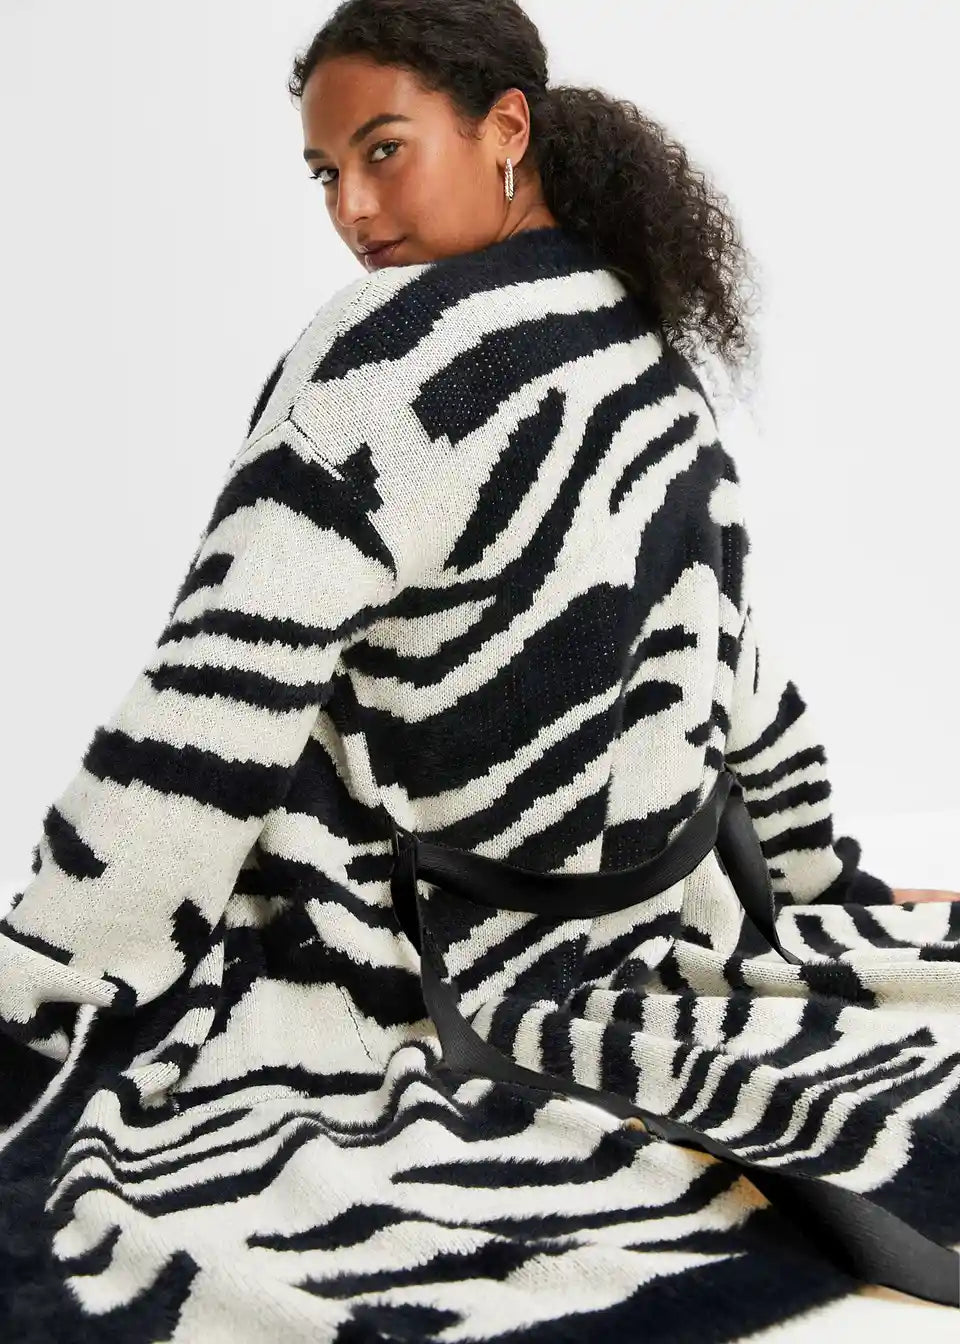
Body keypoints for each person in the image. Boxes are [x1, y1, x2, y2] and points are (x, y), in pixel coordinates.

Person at [2, 1, 959, 1339]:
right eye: (325, 174)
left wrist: (42, 981)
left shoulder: (379, 360)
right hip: (640, 936)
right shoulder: (644, 348)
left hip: (425, 963)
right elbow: (735, 666)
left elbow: (212, 703)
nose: (352, 210)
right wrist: (821, 887)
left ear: (506, 128)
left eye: (384, 151)